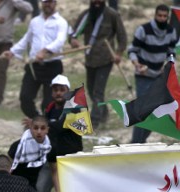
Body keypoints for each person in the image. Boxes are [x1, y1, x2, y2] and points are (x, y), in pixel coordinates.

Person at [2, 0, 69, 119]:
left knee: (49, 102)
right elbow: (26, 39)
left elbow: (60, 41)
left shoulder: (61, 22)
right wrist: (13, 51)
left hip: (52, 66)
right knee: (25, 97)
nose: (47, 4)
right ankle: (37, 120)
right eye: (45, 2)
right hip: (34, 66)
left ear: (55, 3)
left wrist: (45, 50)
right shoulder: (35, 21)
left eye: (50, 2)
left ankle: (47, 124)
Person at [69, 0, 127, 129]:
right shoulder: (86, 15)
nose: (97, 2)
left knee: (97, 92)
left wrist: (118, 53)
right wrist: (73, 40)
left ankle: (94, 122)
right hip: (90, 60)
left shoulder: (112, 15)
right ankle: (103, 113)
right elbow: (73, 33)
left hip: (105, 59)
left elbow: (122, 36)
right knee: (91, 90)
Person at [128, 4, 177, 143]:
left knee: (155, 111)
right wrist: (136, 64)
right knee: (142, 111)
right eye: (159, 16)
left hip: (159, 77)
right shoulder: (143, 30)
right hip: (143, 76)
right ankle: (135, 144)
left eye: (164, 16)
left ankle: (141, 141)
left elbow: (171, 52)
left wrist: (168, 64)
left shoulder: (171, 31)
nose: (162, 19)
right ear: (155, 15)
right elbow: (132, 50)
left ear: (167, 17)